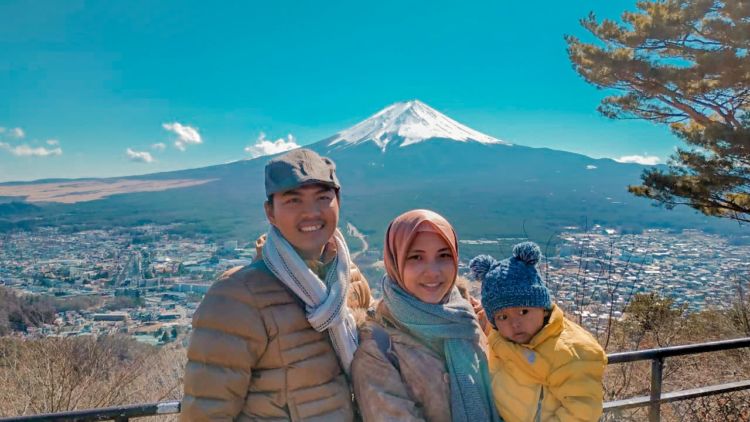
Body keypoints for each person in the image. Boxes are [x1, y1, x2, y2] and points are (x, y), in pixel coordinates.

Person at [182, 148, 371, 421]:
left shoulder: (348, 278)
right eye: (293, 200)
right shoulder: (236, 296)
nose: (311, 213)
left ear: (338, 202)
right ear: (270, 212)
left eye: (323, 198)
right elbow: (206, 412)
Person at [352, 209, 501, 422]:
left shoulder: (467, 317)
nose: (432, 271)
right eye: (416, 257)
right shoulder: (377, 353)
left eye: (443, 255)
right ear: (395, 262)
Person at [469, 242, 607, 422]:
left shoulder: (569, 351)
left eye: (523, 311)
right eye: (503, 317)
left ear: (543, 307)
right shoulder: (502, 337)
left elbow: (582, 411)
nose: (515, 324)